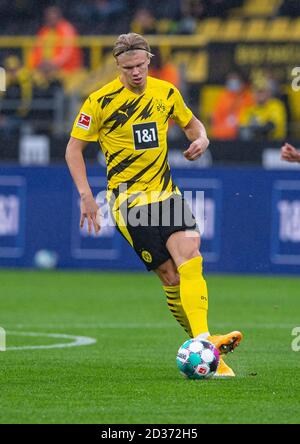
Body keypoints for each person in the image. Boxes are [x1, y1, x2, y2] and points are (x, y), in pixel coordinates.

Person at [65, 33, 243, 377]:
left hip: (166, 193)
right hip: (128, 201)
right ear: (117, 66)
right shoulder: (99, 101)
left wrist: (202, 140)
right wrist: (86, 195)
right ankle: (204, 342)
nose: (135, 72)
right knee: (171, 278)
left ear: (149, 61)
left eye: (141, 66)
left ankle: (206, 346)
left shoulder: (166, 92)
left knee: (191, 256)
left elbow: (194, 126)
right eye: (128, 67)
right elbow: (74, 149)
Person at [29, 6, 83, 74]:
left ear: (59, 17)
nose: (50, 20)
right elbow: (37, 50)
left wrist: (54, 63)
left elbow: (67, 51)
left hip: (68, 69)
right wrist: (39, 63)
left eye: (53, 18)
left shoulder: (66, 29)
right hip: (45, 69)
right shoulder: (44, 30)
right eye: (48, 18)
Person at [211, 71, 254, 140]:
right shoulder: (223, 97)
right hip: (222, 135)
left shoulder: (247, 97)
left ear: (241, 82)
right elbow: (216, 117)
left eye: (235, 79)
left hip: (241, 134)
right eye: (230, 79)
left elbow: (250, 115)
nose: (232, 82)